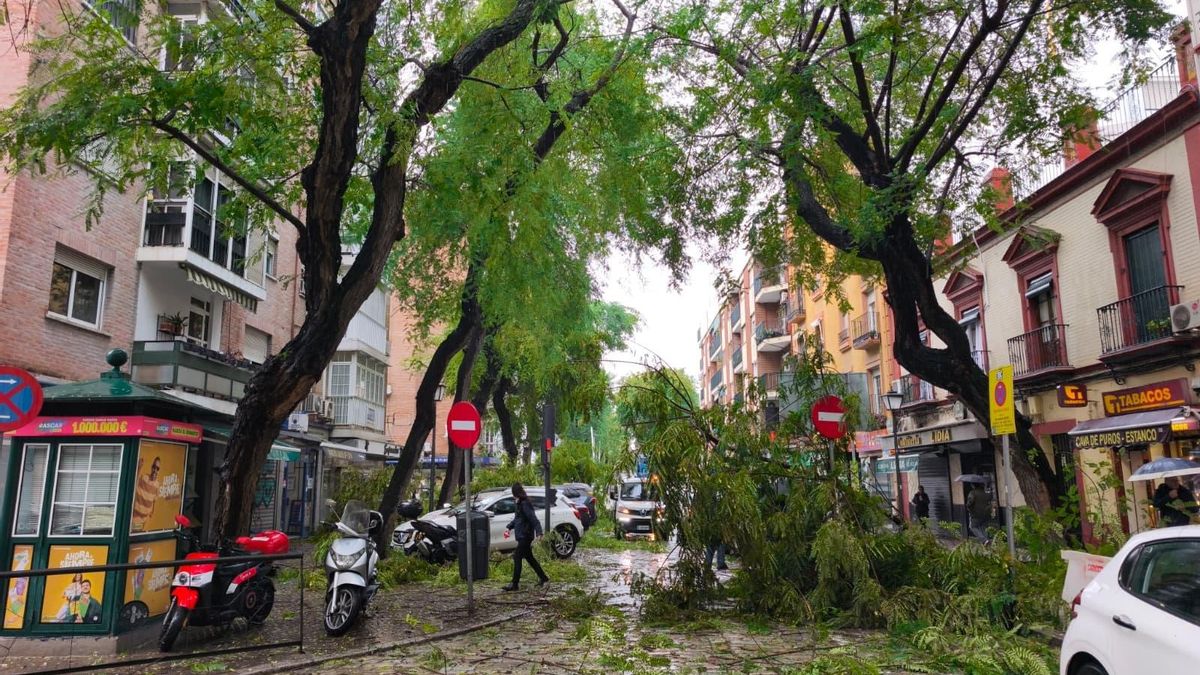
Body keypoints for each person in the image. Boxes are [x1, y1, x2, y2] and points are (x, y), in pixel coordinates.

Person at [502, 483, 548, 591]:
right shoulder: (519, 503)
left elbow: (533, 518)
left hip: (525, 535)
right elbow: (518, 519)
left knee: (517, 557)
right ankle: (544, 578)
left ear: (515, 493)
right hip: (523, 535)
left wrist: (539, 532)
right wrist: (509, 527)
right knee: (530, 558)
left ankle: (515, 584)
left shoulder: (524, 504)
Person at [131, 457, 162, 532]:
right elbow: (134, 482)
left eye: (157, 468)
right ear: (151, 467)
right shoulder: (144, 478)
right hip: (135, 517)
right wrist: (139, 467)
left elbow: (154, 500)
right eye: (154, 467)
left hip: (144, 520)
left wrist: (152, 512)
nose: (155, 470)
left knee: (137, 537)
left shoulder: (157, 485)